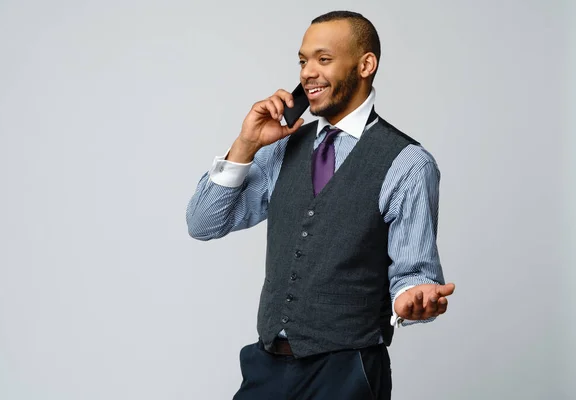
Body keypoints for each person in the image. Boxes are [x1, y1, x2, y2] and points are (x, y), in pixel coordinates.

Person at [186, 10, 455, 400]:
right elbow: (203, 222)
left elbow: (414, 275)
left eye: (323, 59)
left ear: (365, 65)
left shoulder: (408, 163)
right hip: (267, 367)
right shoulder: (281, 147)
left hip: (347, 372)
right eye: (303, 60)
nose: (308, 72)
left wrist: (413, 299)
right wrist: (246, 143)